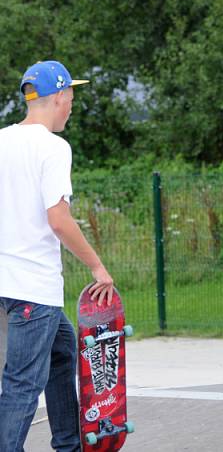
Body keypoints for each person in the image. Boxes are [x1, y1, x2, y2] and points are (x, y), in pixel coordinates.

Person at [0, 61, 115, 452]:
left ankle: (68, 444)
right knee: (22, 384)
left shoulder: (1, 140)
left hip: (6, 284)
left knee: (64, 352)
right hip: (34, 290)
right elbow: (58, 219)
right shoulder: (53, 147)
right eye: (71, 99)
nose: (71, 107)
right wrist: (97, 267)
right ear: (60, 98)